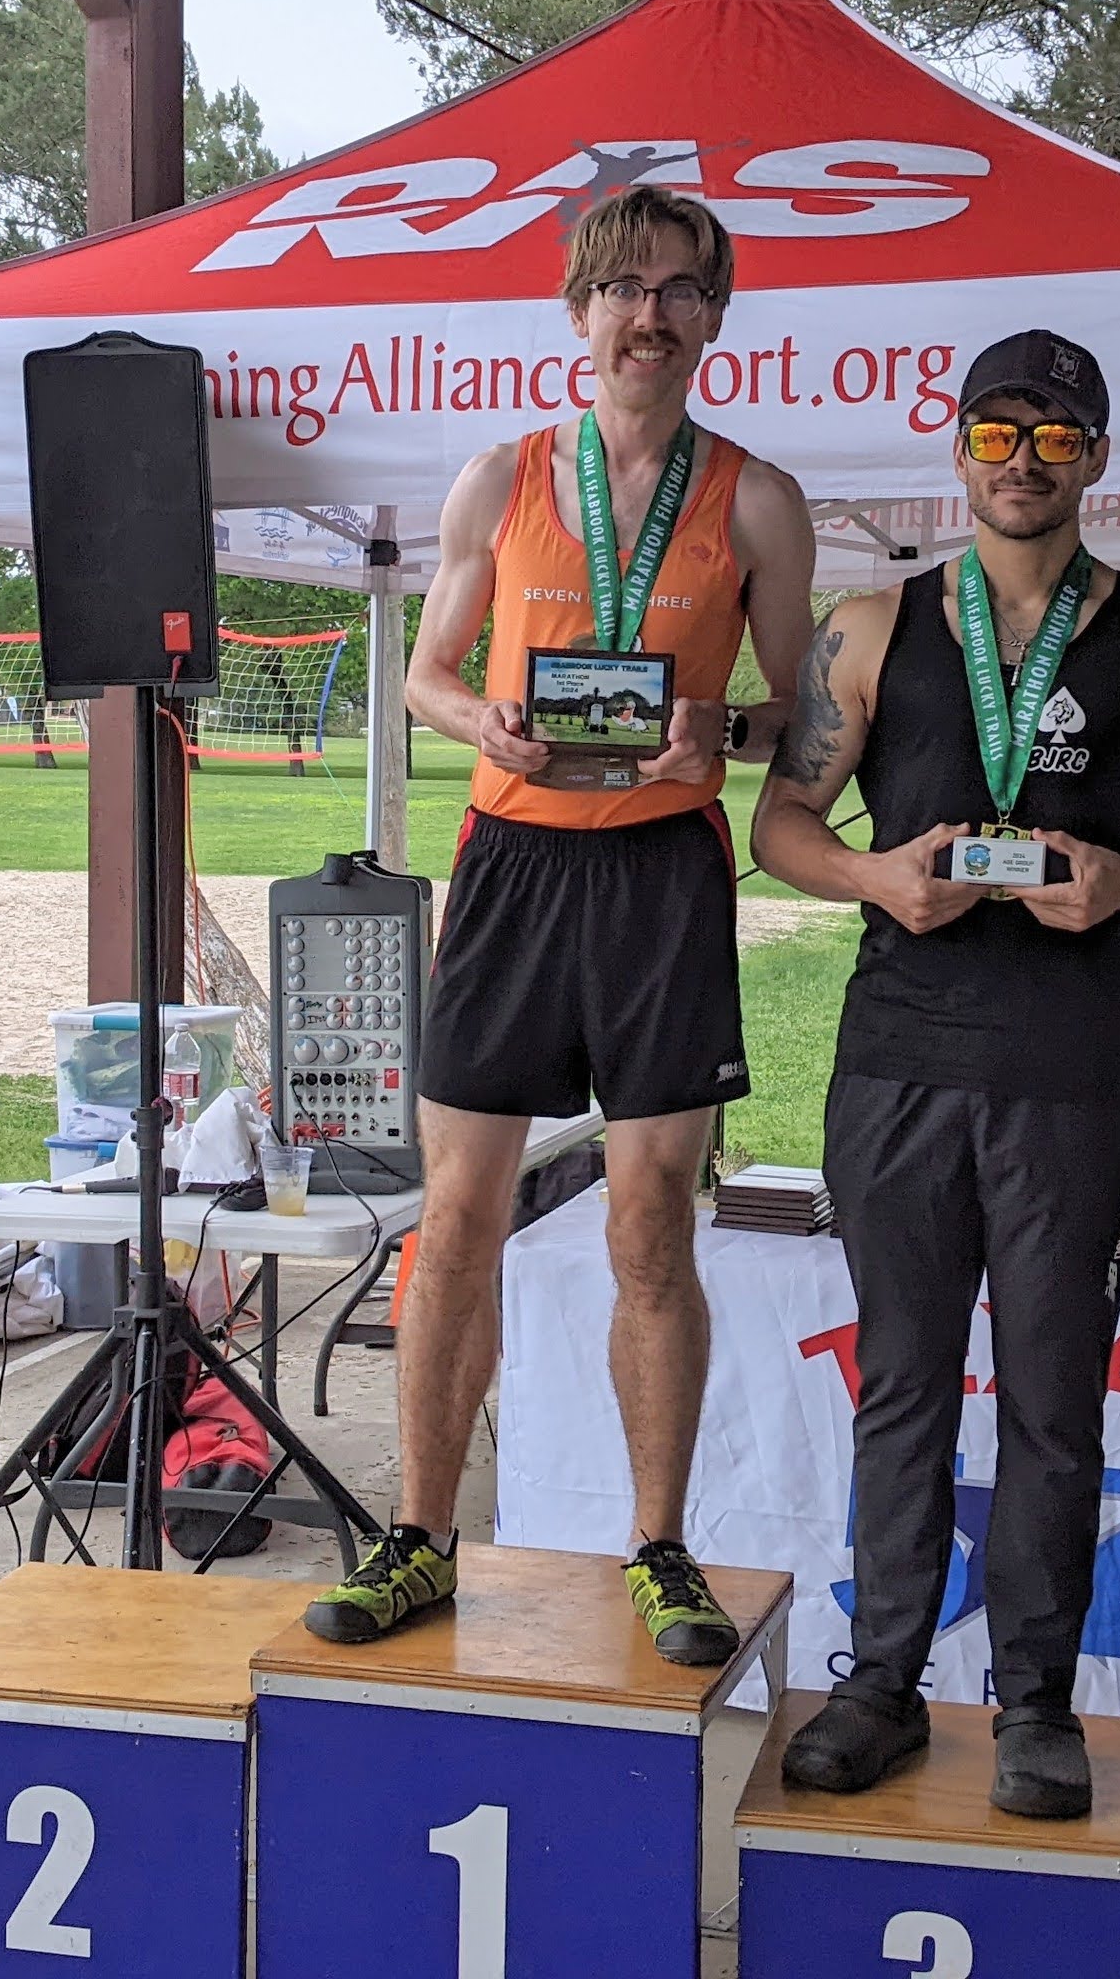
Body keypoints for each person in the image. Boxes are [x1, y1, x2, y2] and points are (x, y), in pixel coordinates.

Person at [750, 329, 1120, 1814]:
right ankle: (881, 1687)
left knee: (1057, 1403)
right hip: (899, 1069)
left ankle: (1038, 1706)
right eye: (999, 432)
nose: (1021, 461)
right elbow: (781, 824)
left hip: (1067, 1074)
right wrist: (876, 880)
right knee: (904, 1391)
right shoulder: (870, 628)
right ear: (959, 446)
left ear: (1097, 460)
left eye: (1055, 439)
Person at [307, 186, 816, 1661]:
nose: (649, 314)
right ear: (580, 311)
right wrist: (492, 723)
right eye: (625, 288)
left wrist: (722, 726)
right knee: (458, 1216)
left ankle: (659, 1548)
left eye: (678, 290)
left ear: (715, 319)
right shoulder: (498, 478)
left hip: (662, 874)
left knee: (653, 1219)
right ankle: (418, 1535)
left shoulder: (758, 499)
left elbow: (813, 715)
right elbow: (429, 677)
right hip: (515, 865)